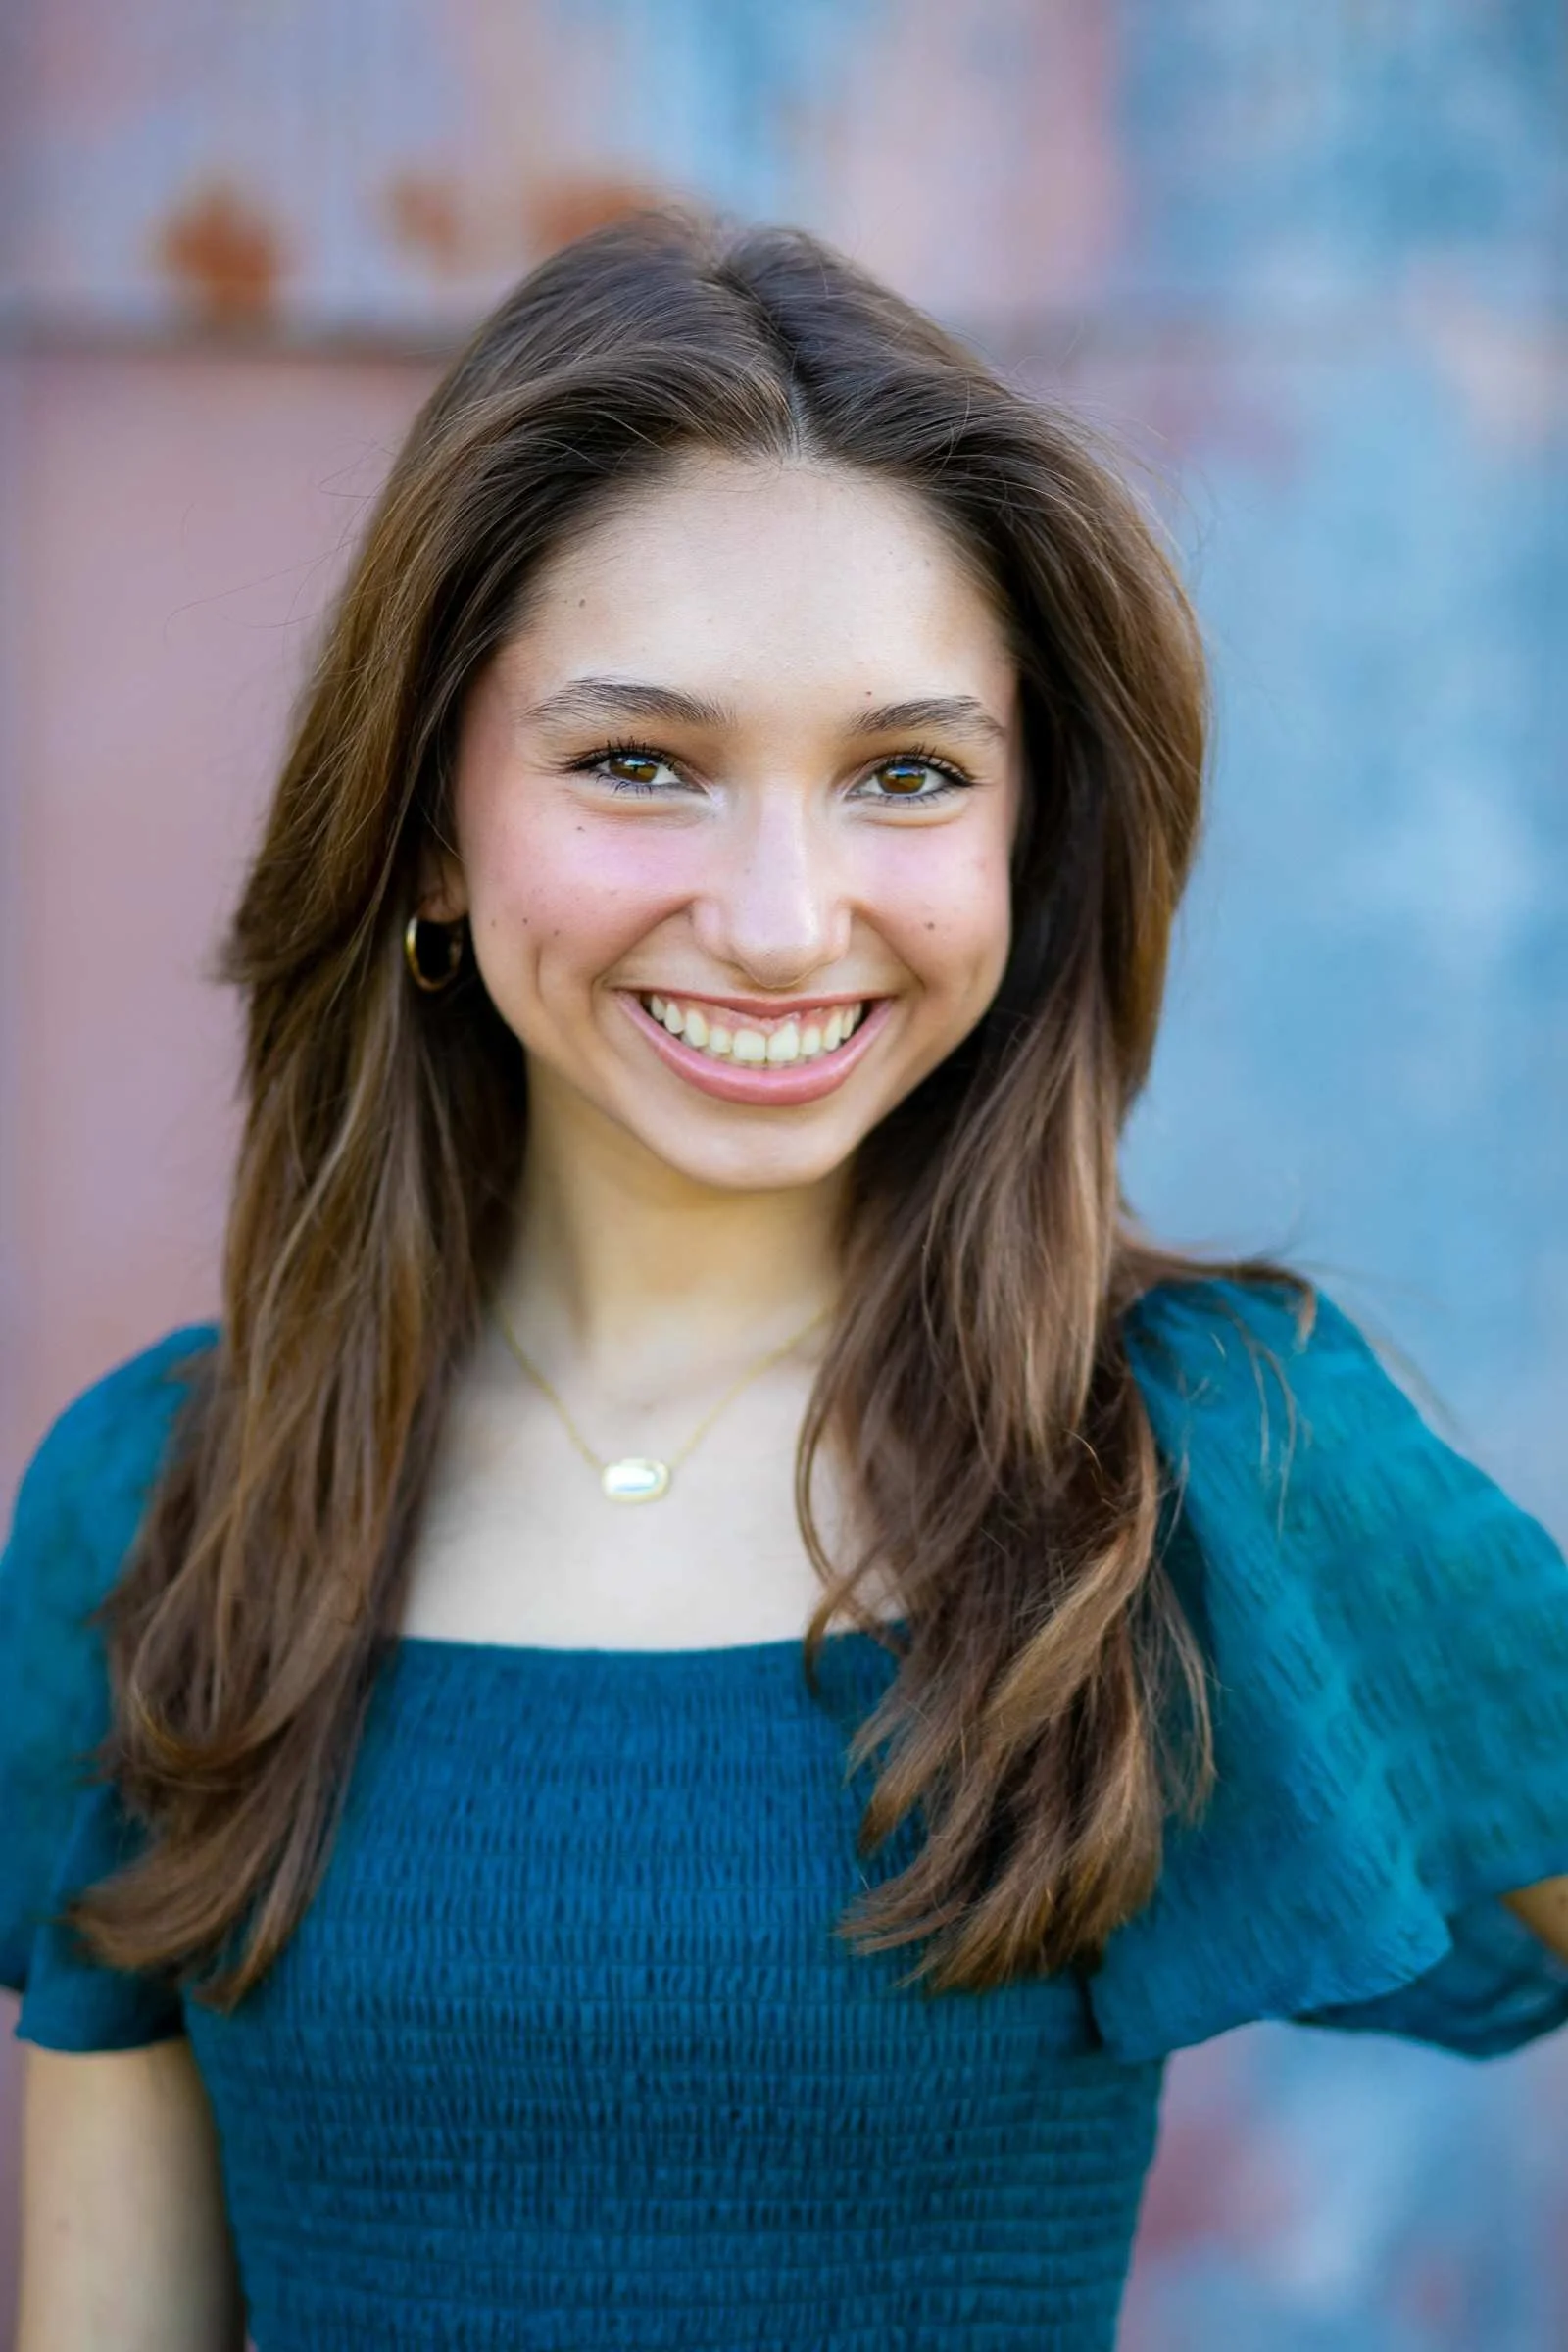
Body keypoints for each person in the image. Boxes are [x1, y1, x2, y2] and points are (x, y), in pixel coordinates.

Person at [4, 208, 1567, 2352]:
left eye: (904, 776)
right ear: (430, 824)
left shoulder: (1191, 1456)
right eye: (639, 762)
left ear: (1025, 844)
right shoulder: (162, 1499)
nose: (775, 916)